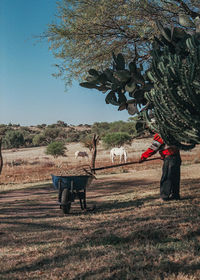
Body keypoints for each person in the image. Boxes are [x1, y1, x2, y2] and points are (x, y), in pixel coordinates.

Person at [139, 133, 182, 201]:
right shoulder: (170, 130)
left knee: (166, 177)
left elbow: (153, 148)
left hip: (170, 158)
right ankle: (175, 195)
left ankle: (164, 197)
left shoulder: (160, 134)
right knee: (175, 177)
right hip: (176, 157)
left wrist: (143, 157)